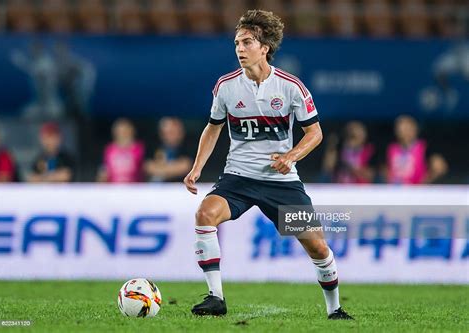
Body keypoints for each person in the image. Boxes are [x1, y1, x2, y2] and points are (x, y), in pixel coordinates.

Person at [183, 10, 353, 320]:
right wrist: (197, 167)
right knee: (205, 213)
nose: (239, 49)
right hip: (239, 177)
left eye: (247, 42)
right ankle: (215, 297)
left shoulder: (291, 87)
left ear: (265, 48)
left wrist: (291, 156)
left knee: (317, 248)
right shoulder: (225, 86)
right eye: (237, 42)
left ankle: (335, 309)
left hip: (281, 183)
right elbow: (213, 127)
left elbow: (314, 133)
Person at [386, 115, 448, 184]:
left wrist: (423, 183)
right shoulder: (392, 148)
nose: (404, 132)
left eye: (407, 128)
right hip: (395, 191)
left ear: (415, 129)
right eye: (401, 129)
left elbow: (440, 168)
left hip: (417, 192)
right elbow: (385, 170)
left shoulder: (424, 147)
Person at [144, 117, 192, 182]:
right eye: (166, 133)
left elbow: (185, 167)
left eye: (173, 132)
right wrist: (173, 168)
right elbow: (148, 167)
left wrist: (160, 169)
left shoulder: (188, 146)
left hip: (180, 187)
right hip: (155, 188)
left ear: (181, 132)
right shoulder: (153, 146)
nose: (169, 136)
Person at [97, 118, 144, 183]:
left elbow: (146, 166)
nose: (122, 134)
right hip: (113, 188)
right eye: (119, 131)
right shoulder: (109, 149)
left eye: (125, 131)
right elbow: (104, 170)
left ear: (132, 132)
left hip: (134, 188)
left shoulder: (139, 148)